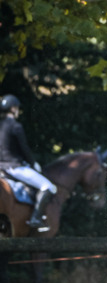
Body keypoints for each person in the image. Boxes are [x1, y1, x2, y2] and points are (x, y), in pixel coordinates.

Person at [0, 95, 57, 231]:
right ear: (13, 109)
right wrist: (33, 163)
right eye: (17, 108)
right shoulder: (15, 126)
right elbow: (24, 148)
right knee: (48, 187)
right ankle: (35, 219)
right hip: (14, 167)